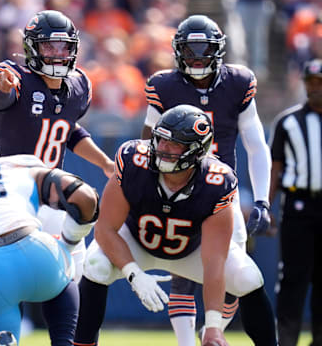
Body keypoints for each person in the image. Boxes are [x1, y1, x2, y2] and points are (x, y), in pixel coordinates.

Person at [74, 105, 277, 346]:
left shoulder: (217, 182)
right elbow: (105, 230)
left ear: (196, 150)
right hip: (136, 242)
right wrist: (134, 274)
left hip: (191, 250)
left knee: (248, 278)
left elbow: (214, 261)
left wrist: (213, 326)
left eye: (174, 144)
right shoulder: (134, 160)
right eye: (160, 140)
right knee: (96, 265)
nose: (162, 149)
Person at [141, 14, 274, 345]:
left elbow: (256, 147)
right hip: (175, 189)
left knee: (234, 279)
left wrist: (261, 199)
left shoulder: (238, 82)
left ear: (219, 51)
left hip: (220, 192)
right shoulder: (163, 85)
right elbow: (146, 146)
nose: (197, 58)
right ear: (178, 52)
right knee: (182, 275)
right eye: (190, 50)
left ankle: (210, 333)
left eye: (204, 50)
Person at [0, 10, 114, 324]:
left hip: (51, 192)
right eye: (49, 46)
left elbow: (68, 130)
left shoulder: (79, 84)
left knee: (79, 268)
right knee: (6, 271)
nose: (57, 54)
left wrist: (106, 163)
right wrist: (1, 87)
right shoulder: (13, 73)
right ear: (31, 48)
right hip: (10, 191)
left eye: (63, 47)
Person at [0, 127, 99, 346]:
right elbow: (83, 195)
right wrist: (70, 240)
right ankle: (65, 342)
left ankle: (1, 339)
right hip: (35, 249)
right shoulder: (17, 164)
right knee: (64, 263)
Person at [269, 58, 322, 346]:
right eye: (311, 83)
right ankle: (286, 341)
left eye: (320, 83)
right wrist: (267, 206)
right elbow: (274, 167)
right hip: (299, 206)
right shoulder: (288, 122)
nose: (315, 89)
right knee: (293, 278)